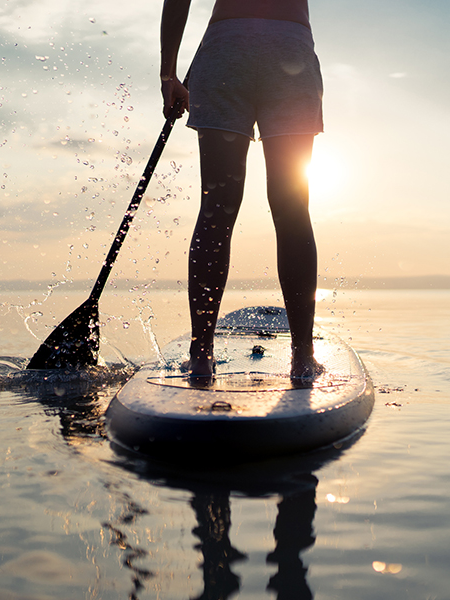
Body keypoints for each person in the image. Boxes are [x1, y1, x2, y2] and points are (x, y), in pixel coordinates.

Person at [160, 0, 325, 380]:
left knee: (216, 207)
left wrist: (169, 75)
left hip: (225, 49)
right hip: (290, 48)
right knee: (292, 207)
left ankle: (201, 355)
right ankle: (302, 357)